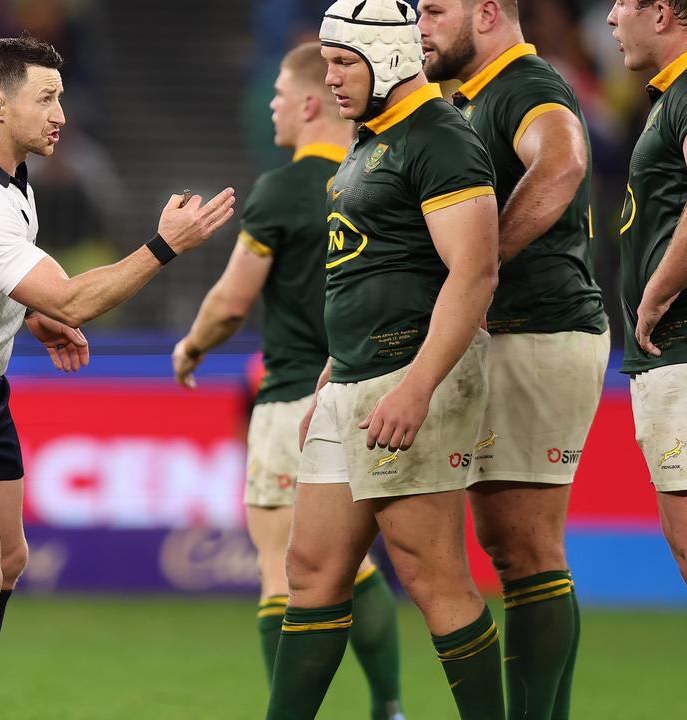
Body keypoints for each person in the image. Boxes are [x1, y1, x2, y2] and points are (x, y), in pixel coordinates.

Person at [0, 34, 234, 720]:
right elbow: (71, 298)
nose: (61, 113)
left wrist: (28, 313)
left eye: (61, 96)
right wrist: (164, 247)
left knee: (7, 564)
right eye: (46, 98)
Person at [264, 2, 504, 718]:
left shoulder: (441, 140)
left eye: (344, 62)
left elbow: (475, 273)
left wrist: (419, 387)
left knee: (433, 578)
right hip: (353, 380)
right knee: (310, 572)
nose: (332, 78)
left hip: (410, 381)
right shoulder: (370, 142)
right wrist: (332, 375)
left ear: (389, 58)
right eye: (328, 62)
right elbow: (367, 270)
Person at [170, 41, 403, 720]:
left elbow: (232, 302)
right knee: (356, 566)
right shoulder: (386, 178)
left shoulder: (281, 190)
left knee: (282, 569)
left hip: (293, 395)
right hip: (372, 394)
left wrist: (191, 347)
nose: (270, 106)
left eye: (277, 95)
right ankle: (390, 705)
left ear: (308, 103)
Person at [417, 2, 610, 717]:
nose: (420, 27)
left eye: (435, 11)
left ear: (488, 13)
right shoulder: (475, 99)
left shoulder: (524, 84)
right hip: (515, 332)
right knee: (512, 547)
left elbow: (563, 162)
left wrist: (481, 262)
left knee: (525, 549)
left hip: (538, 328)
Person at [609, 0, 687, 584]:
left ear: (660, 13)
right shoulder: (668, 96)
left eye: (621, 4)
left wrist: (656, 293)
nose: (611, 17)